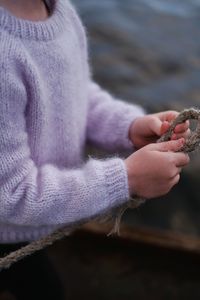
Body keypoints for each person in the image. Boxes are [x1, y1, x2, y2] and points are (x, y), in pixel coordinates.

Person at [0, 0, 190, 299]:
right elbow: (11, 193)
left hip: (33, 224)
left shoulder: (61, 12)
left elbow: (78, 95)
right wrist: (125, 178)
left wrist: (128, 126)